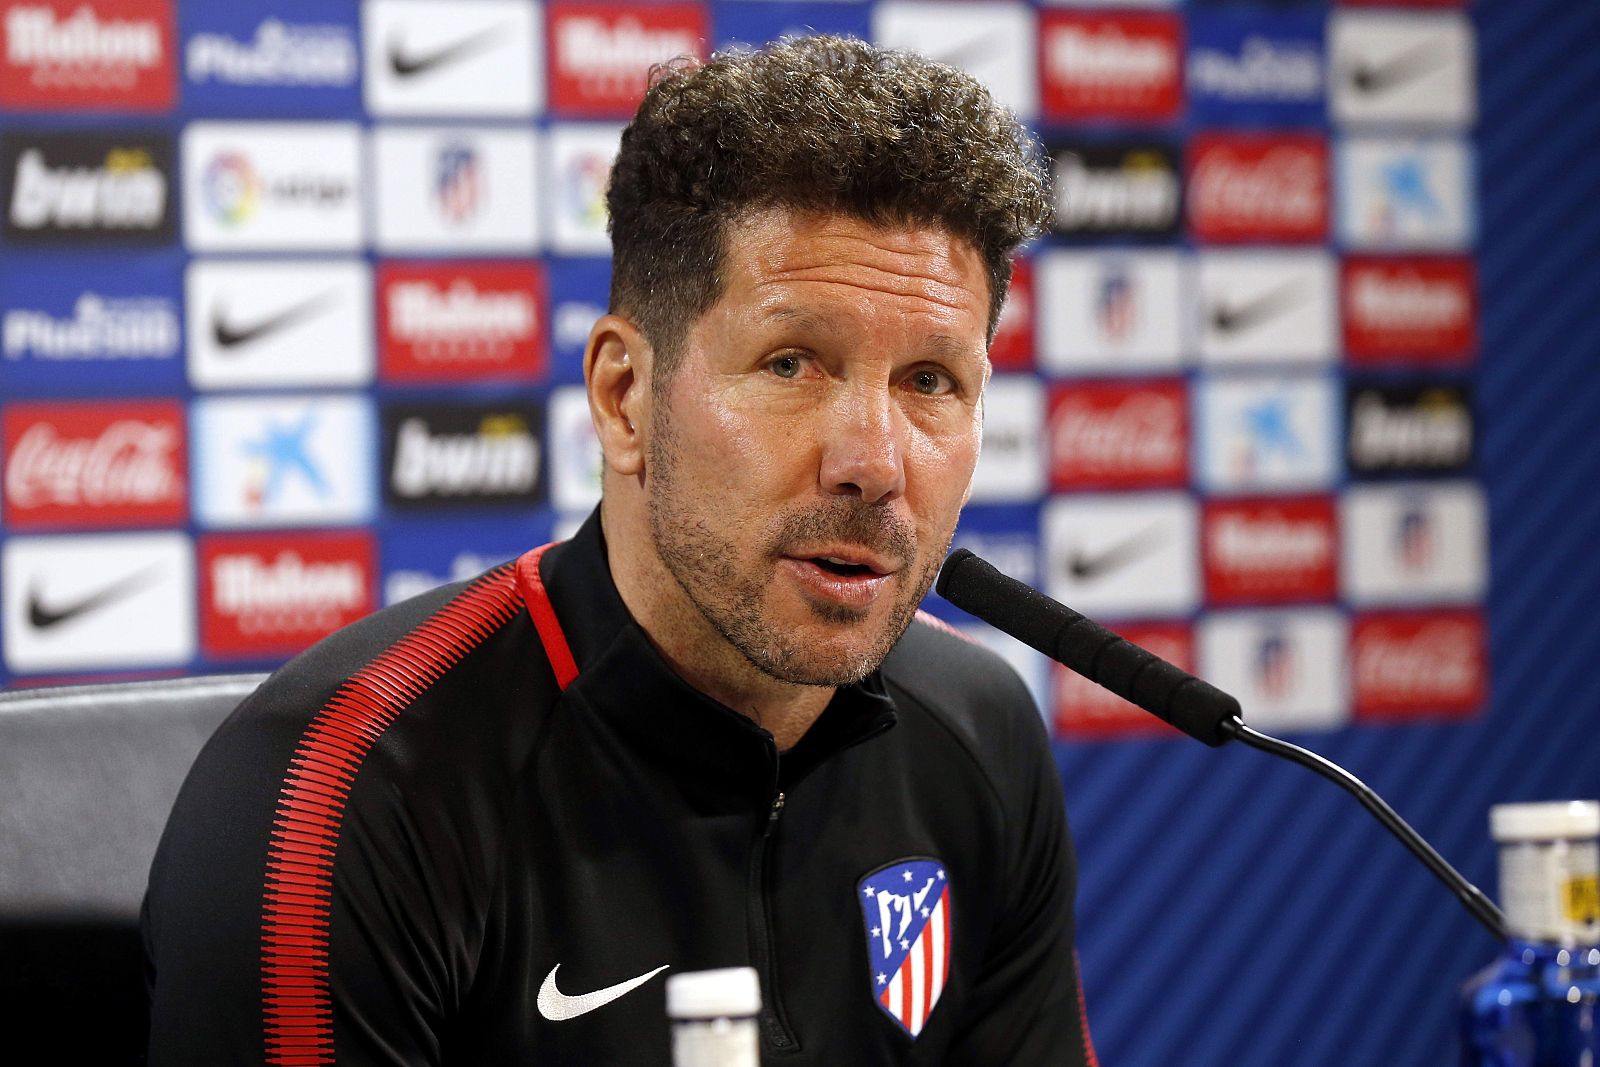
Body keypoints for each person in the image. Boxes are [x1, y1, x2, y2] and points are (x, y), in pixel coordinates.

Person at [143, 35, 1097, 1066]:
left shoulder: (977, 734)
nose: (873, 460)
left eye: (930, 381)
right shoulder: (348, 797)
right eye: (791, 363)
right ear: (623, 396)